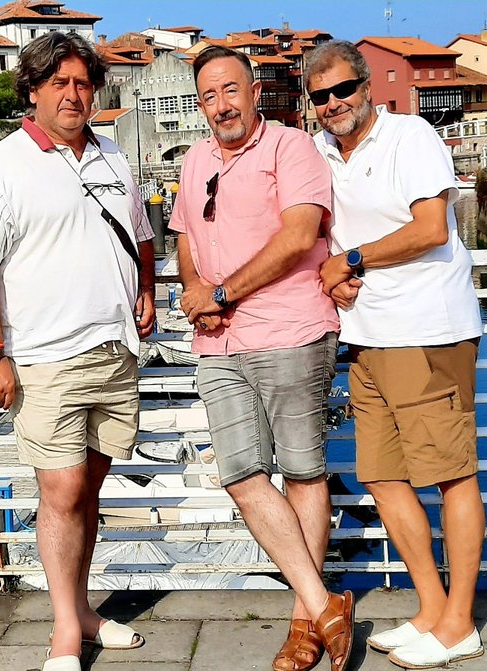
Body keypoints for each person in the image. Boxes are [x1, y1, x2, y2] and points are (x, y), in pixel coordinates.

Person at [0, 32, 155, 671]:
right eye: (59, 83)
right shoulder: (3, 164)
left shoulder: (115, 159)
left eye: (83, 83)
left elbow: (142, 233)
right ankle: (67, 630)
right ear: (34, 90)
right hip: (43, 355)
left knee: (88, 490)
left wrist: (146, 287)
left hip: (114, 350)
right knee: (62, 490)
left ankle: (85, 610)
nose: (73, 94)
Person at [170, 44, 354, 671]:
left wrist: (225, 292)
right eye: (207, 96)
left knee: (303, 473)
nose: (219, 104)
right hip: (218, 340)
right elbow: (187, 242)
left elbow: (301, 234)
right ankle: (326, 602)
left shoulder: (290, 149)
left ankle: (305, 627)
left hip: (291, 330)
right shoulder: (195, 161)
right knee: (243, 476)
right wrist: (197, 292)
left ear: (253, 92)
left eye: (229, 90)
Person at [306, 41, 487, 670]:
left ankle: (460, 623)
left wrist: (352, 260)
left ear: (366, 87)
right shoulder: (326, 154)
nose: (334, 104)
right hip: (368, 336)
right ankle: (433, 610)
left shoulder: (409, 136)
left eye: (343, 90)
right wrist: (335, 275)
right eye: (321, 96)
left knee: (451, 473)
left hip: (427, 331)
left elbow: (431, 227)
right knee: (382, 476)